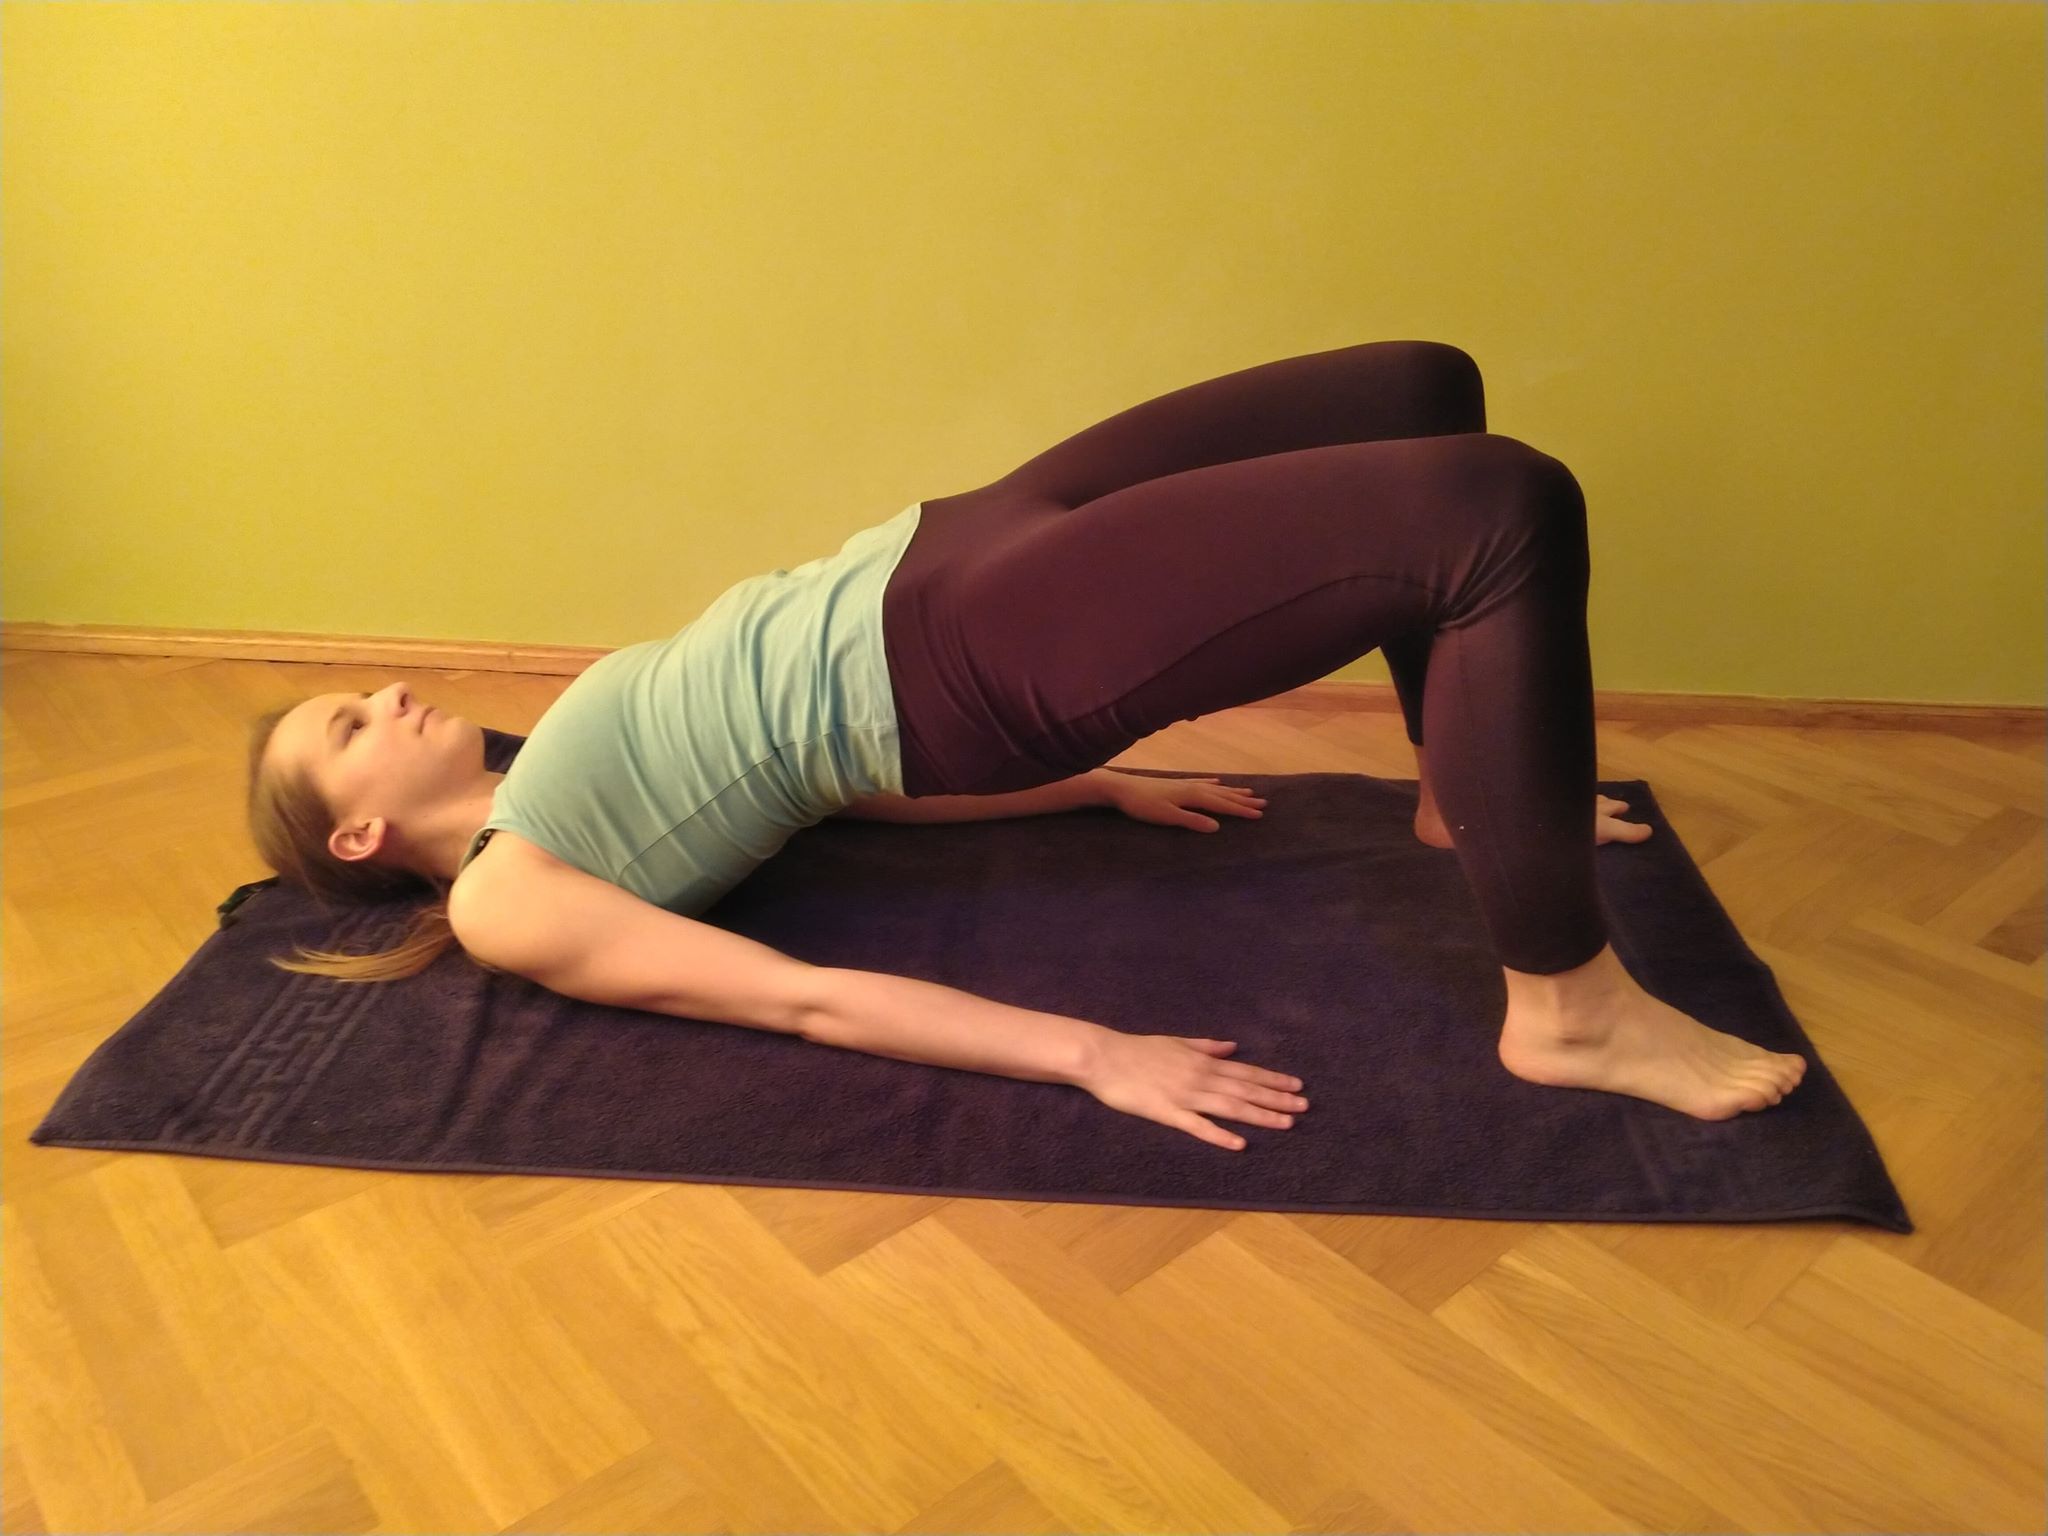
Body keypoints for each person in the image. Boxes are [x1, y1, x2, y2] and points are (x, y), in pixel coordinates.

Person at [249, 340, 1806, 1147]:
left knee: (1419, 392)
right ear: (358, 834)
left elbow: (808, 793)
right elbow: (802, 1000)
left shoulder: (542, 782)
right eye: (349, 727)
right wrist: (1091, 1055)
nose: (384, 695)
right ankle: (1567, 1010)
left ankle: (1465, 802)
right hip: (962, 656)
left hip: (950, 544)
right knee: (1496, 505)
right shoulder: (503, 899)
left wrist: (1096, 790)